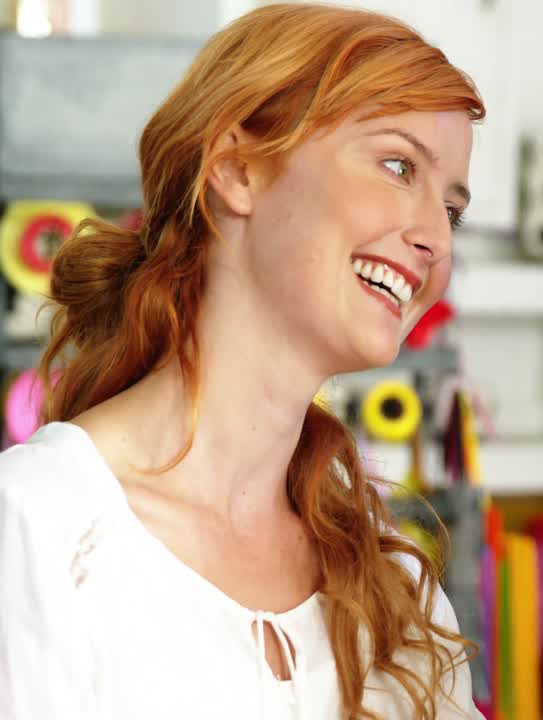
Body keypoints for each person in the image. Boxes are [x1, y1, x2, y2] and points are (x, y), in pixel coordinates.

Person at [0, 4, 484, 718]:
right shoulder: (34, 532)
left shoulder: (398, 596)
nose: (435, 239)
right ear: (237, 170)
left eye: (453, 209)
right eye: (396, 164)